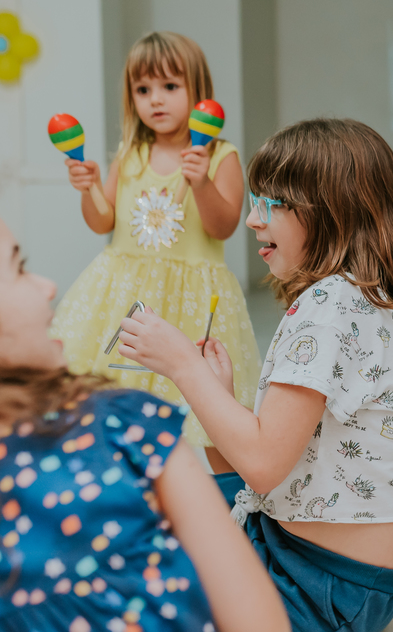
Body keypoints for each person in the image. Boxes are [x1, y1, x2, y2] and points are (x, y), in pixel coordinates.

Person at [116, 119, 393, 632]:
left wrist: (183, 366)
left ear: (333, 210)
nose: (252, 220)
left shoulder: (327, 307)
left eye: (273, 203)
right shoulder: (347, 298)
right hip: (329, 571)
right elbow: (269, 462)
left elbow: (261, 467)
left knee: (136, 589)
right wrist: (214, 395)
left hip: (322, 587)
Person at [0, 217, 289, 632]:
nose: (47, 286)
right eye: (19, 269)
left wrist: (197, 378)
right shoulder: (126, 425)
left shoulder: (124, 425)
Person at [49, 31, 259, 471]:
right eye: (143, 90)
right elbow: (102, 222)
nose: (155, 100)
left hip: (194, 297)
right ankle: (126, 485)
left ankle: (232, 502)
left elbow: (224, 225)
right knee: (115, 394)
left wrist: (200, 180)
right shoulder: (130, 155)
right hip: (125, 295)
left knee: (211, 405)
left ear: (197, 91)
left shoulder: (220, 155)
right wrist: (87, 189)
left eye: (169, 87)